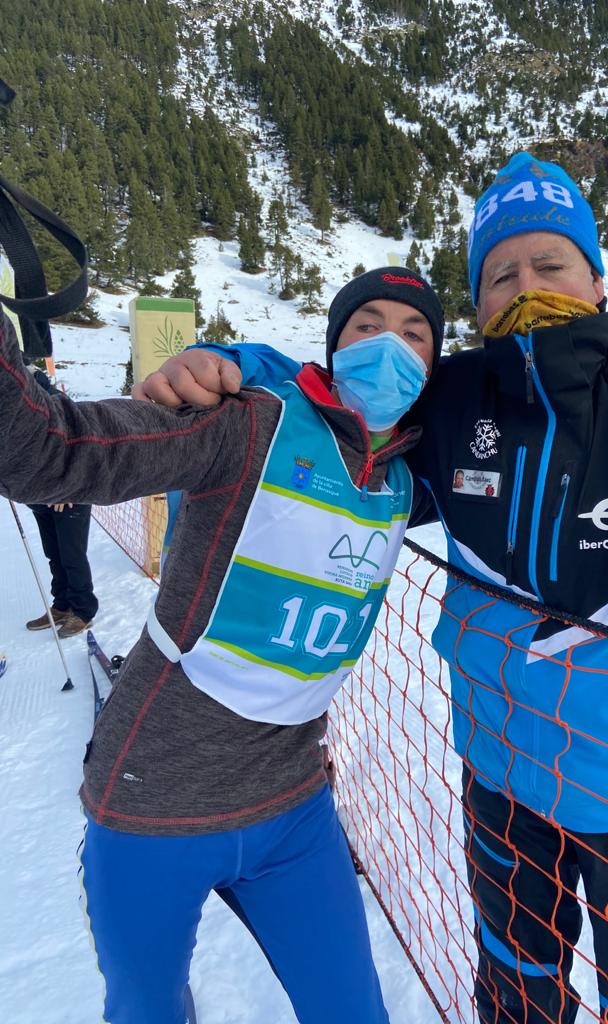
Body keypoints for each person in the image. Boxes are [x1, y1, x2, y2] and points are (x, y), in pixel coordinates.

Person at [141, 153, 608, 1024]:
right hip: (502, 776)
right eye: (500, 274)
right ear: (479, 303)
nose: (525, 286)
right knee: (516, 991)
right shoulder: (457, 399)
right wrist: (229, 360)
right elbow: (336, 405)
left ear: (597, 278)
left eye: (550, 264)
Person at [0, 267, 444, 1024]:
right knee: (147, 1012)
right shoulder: (249, 425)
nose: (389, 347)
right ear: (335, 344)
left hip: (292, 809)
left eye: (414, 334)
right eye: (367, 325)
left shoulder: (405, 477)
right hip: (152, 807)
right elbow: (56, 452)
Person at [22, 366, 98, 638]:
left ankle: (83, 609)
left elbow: (82, 447)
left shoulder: (56, 405)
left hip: (70, 494)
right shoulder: (16, 411)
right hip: (39, 495)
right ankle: (62, 604)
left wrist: (68, 488)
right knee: (53, 552)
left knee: (72, 554)